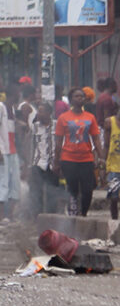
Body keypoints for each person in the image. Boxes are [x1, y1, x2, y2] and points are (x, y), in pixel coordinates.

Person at [54, 88, 104, 217]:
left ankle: (83, 215)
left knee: (88, 190)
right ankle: (73, 216)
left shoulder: (90, 117)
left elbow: (96, 139)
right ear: (71, 100)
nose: (80, 98)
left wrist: (101, 157)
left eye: (82, 96)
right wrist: (56, 162)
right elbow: (58, 141)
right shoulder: (63, 118)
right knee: (72, 190)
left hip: (86, 159)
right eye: (77, 96)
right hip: (68, 159)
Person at [0, 85, 22, 220]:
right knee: (3, 182)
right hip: (2, 151)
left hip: (12, 150)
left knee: (15, 182)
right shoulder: (0, 107)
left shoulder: (13, 109)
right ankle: (1, 215)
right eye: (18, 93)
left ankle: (10, 215)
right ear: (13, 94)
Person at [28, 102, 59, 217]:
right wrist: (28, 165)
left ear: (49, 113)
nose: (38, 114)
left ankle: (51, 218)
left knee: (53, 194)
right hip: (38, 163)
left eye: (41, 111)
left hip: (53, 164)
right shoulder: (34, 126)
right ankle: (37, 218)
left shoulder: (57, 125)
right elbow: (31, 146)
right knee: (36, 193)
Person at [101, 104, 120, 240]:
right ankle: (114, 223)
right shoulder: (110, 122)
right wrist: (102, 163)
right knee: (114, 198)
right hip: (113, 166)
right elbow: (106, 144)